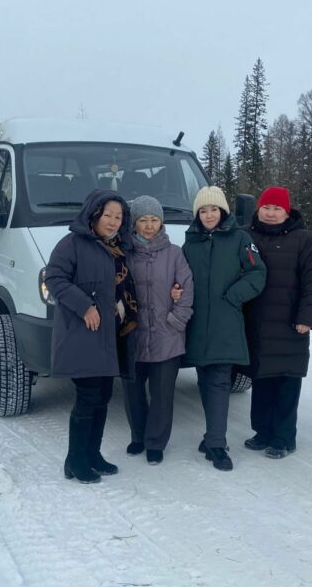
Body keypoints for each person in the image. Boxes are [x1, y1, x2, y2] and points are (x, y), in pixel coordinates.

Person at [45, 189, 138, 483]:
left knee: (103, 395)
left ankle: (93, 454)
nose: (112, 221)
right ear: (93, 214)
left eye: (118, 216)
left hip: (110, 335)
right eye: (107, 215)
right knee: (87, 395)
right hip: (83, 332)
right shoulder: (72, 243)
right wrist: (85, 306)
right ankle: (75, 460)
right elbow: (54, 278)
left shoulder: (120, 247)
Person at [182, 186, 266, 471]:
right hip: (196, 324)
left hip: (225, 323)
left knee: (218, 379)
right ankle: (211, 436)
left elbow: (258, 273)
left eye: (213, 209)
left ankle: (217, 444)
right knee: (205, 379)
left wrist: (234, 295)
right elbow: (179, 278)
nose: (208, 215)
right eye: (203, 211)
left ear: (223, 211)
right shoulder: (189, 243)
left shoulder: (240, 239)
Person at [242, 186, 312, 459]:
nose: (271, 213)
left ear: (286, 212)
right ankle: (262, 432)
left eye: (277, 209)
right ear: (259, 209)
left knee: (287, 384)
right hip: (256, 324)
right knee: (262, 381)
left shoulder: (302, 240)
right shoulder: (246, 236)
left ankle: (284, 438)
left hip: (290, 325)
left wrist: (306, 318)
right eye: (267, 207)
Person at [123, 196, 195, 465]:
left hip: (167, 336)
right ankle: (138, 436)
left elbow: (186, 288)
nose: (149, 225)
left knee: (162, 393)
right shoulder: (125, 253)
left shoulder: (175, 253)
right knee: (132, 390)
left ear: (161, 222)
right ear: (134, 223)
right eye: (143, 220)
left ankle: (156, 442)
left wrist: (176, 320)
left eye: (154, 220)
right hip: (133, 335)